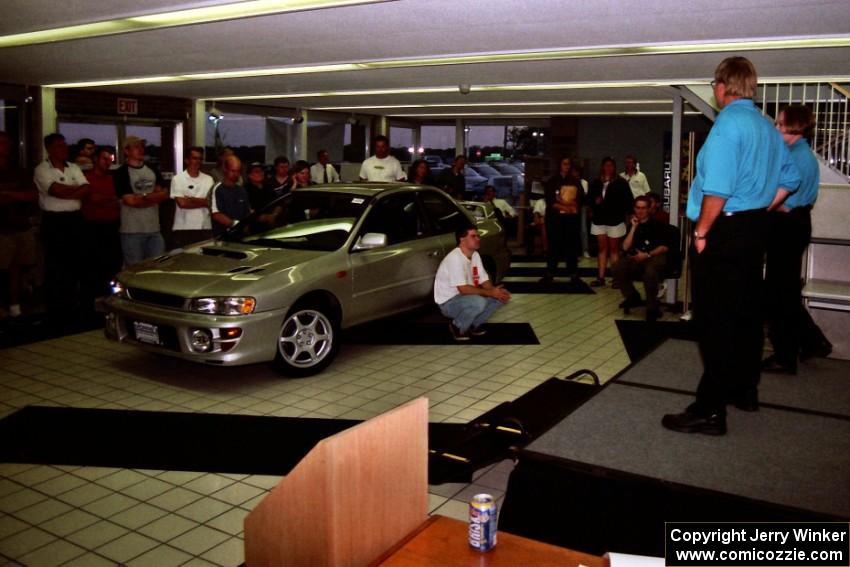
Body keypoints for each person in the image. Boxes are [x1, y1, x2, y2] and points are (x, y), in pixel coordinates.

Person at [662, 56, 801, 436]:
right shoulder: (767, 127)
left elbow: (718, 188)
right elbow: (790, 179)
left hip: (723, 231)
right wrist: (760, 208)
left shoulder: (726, 126)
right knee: (746, 314)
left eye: (714, 85)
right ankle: (745, 390)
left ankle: (710, 410)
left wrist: (703, 232)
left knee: (715, 321)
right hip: (756, 228)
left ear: (722, 86)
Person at [762, 105, 830, 374]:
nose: (777, 128)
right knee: (784, 292)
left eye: (781, 124)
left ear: (795, 127)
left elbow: (786, 204)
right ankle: (813, 341)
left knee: (779, 295)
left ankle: (785, 355)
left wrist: (759, 202)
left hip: (789, 226)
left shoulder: (799, 158)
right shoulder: (794, 153)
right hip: (791, 226)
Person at [34, 133, 91, 329]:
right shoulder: (42, 169)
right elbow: (55, 190)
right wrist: (73, 189)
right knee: (56, 266)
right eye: (59, 145)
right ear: (49, 149)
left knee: (77, 264)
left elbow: (86, 189)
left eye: (65, 145)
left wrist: (69, 190)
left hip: (75, 219)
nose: (63, 148)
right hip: (54, 221)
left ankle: (75, 307)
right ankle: (57, 311)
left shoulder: (73, 167)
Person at [434, 225, 511, 341]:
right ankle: (457, 327)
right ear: (462, 239)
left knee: (498, 298)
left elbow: (484, 280)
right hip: (448, 303)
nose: (478, 239)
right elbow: (463, 289)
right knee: (478, 302)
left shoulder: (474, 255)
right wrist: (490, 293)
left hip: (463, 297)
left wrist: (495, 292)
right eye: (473, 236)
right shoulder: (455, 258)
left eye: (478, 236)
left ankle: (471, 325)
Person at [611, 196, 669, 321]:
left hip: (654, 256)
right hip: (636, 257)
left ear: (649, 209)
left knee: (650, 272)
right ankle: (632, 296)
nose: (640, 211)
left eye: (643, 208)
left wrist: (647, 254)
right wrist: (633, 228)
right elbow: (625, 247)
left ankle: (652, 306)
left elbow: (664, 247)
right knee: (617, 266)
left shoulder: (658, 225)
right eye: (638, 208)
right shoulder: (632, 224)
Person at [0, 131, 38, 319]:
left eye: (7, 143)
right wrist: (15, 195)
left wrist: (10, 195)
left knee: (18, 267)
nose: (5, 146)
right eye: (1, 143)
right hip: (2, 229)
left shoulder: (17, 169)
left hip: (20, 225)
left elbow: (32, 194)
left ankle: (15, 305)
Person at [114, 136, 169, 266]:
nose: (141, 149)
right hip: (132, 231)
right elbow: (131, 201)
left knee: (157, 266)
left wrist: (142, 197)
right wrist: (152, 197)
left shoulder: (152, 169)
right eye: (136, 147)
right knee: (134, 269)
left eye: (141, 146)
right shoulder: (121, 173)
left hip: (154, 229)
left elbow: (163, 194)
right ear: (127, 151)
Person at [81, 146, 121, 315]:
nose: (107, 163)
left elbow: (118, 200)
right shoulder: (87, 178)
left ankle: (109, 301)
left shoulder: (112, 179)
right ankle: (90, 304)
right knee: (92, 266)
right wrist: (109, 200)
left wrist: (108, 200)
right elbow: (93, 198)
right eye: (104, 159)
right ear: (96, 159)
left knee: (112, 265)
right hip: (92, 227)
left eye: (110, 159)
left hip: (112, 226)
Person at [586, 157, 633, 287]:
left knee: (614, 250)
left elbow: (628, 201)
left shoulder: (620, 182)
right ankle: (600, 277)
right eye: (606, 165)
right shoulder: (596, 182)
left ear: (614, 167)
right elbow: (588, 199)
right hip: (600, 219)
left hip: (615, 219)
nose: (608, 168)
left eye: (611, 165)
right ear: (602, 167)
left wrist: (627, 214)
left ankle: (616, 278)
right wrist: (594, 203)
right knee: (602, 249)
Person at [541, 157, 583, 283]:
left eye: (569, 164)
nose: (567, 166)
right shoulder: (552, 181)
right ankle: (550, 272)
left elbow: (581, 198)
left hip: (571, 219)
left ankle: (573, 272)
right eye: (564, 164)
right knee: (554, 245)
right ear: (559, 165)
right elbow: (550, 200)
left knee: (571, 245)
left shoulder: (575, 181)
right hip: (555, 219)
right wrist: (564, 206)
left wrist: (572, 206)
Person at [170, 146, 214, 249]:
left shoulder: (209, 179)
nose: (198, 161)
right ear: (187, 160)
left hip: (205, 228)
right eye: (194, 158)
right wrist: (203, 201)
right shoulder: (178, 179)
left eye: (200, 158)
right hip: (184, 229)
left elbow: (211, 203)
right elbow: (182, 204)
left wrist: (191, 199)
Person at [211, 155, 251, 236]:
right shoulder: (217, 189)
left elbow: (247, 212)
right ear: (225, 169)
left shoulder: (242, 190)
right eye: (233, 171)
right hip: (222, 237)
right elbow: (216, 214)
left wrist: (247, 226)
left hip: (240, 236)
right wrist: (234, 224)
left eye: (238, 171)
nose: (236, 174)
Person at [570, 163, 591, 258]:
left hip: (581, 207)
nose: (575, 173)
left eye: (576, 172)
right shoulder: (568, 182)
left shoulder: (584, 182)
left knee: (583, 229)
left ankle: (585, 250)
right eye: (573, 172)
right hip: (570, 208)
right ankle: (573, 251)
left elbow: (585, 197)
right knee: (572, 230)